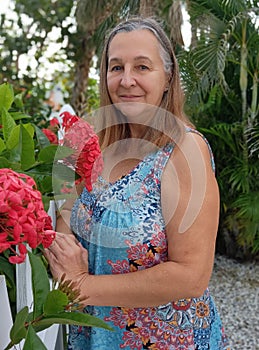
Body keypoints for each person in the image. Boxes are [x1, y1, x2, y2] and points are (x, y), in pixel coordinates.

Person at [45, 17, 230, 350]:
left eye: (142, 66)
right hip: (96, 337)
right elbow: (65, 227)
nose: (126, 80)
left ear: (168, 77)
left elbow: (191, 276)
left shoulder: (184, 151)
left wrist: (83, 285)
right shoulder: (93, 147)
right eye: (116, 67)